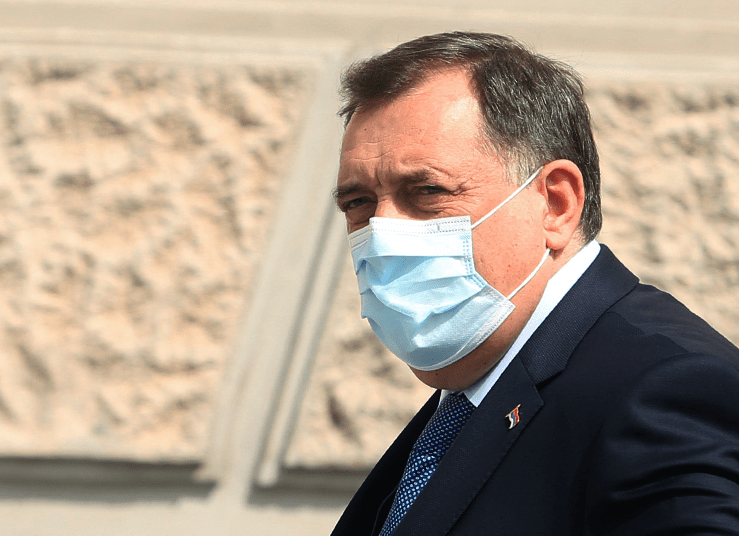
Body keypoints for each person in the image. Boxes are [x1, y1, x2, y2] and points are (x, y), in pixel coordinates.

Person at [330, 31, 739, 536]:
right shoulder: (472, 396)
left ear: (556, 205)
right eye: (358, 203)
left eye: (428, 191)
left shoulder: (664, 389)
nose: (383, 231)